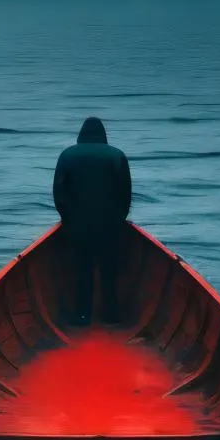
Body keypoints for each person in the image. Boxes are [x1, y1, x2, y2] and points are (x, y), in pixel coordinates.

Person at [53, 116, 132, 326]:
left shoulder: (67, 155)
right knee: (109, 270)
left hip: (78, 225)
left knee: (82, 270)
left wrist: (68, 218)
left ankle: (82, 316)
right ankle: (111, 316)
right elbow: (126, 194)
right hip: (110, 224)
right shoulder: (117, 156)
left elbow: (58, 193)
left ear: (81, 134)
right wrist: (119, 219)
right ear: (103, 135)